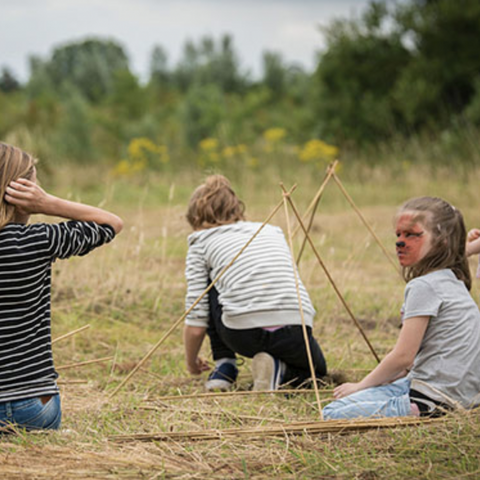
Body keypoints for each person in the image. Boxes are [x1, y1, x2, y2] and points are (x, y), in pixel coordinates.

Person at [0, 142, 123, 431]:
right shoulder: (37, 240)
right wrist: (48, 204)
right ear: (22, 194)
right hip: (28, 408)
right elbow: (111, 223)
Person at [323, 196, 480, 420]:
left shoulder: (424, 286)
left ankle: (416, 410)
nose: (400, 242)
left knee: (332, 412)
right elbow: (452, 252)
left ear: (442, 240)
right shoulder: (452, 278)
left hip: (435, 398)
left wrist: (360, 385)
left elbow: (403, 357)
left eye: (412, 234)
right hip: (465, 396)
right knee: (369, 392)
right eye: (398, 234)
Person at [183, 175, 327, 392]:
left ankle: (225, 368)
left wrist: (191, 363)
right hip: (296, 328)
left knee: (212, 284)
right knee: (316, 375)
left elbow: (196, 319)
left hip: (243, 333)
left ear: (194, 215)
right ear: (236, 208)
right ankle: (280, 373)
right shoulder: (271, 230)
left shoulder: (200, 242)